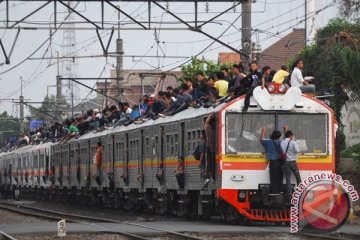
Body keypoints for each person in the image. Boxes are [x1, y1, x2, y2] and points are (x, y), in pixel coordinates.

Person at [260, 128, 283, 194]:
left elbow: (261, 139)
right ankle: (280, 190)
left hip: (273, 161)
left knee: (273, 176)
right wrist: (286, 129)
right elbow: (288, 140)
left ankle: (275, 191)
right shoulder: (281, 142)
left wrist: (264, 130)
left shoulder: (268, 142)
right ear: (279, 136)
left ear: (272, 135)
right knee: (280, 176)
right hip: (280, 161)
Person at [281, 129, 302, 199]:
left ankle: (289, 193)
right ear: (290, 136)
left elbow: (282, 151)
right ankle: (300, 190)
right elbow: (297, 151)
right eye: (292, 135)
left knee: (288, 178)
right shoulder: (293, 142)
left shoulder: (282, 143)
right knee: (298, 177)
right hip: (292, 162)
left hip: (285, 162)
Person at [203, 113, 216, 187]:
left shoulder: (208, 129)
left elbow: (207, 122)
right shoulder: (217, 131)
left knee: (209, 164)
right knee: (213, 164)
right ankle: (213, 177)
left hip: (209, 148)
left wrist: (210, 115)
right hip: (214, 149)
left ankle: (208, 177)